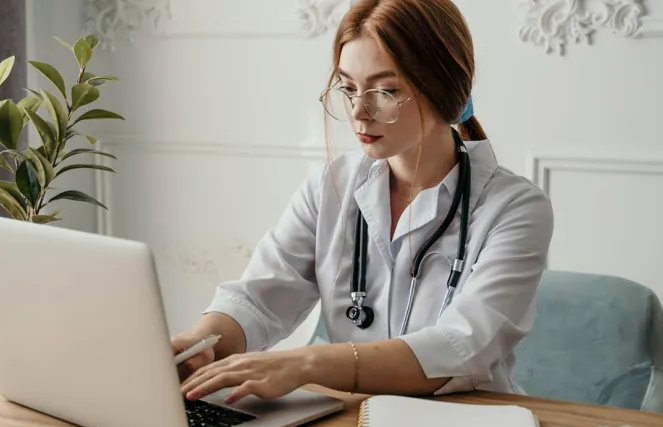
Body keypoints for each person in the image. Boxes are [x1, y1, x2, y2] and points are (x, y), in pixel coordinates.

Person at [174, 0, 554, 406]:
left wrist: (306, 364)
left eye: (385, 91)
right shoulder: (332, 186)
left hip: (466, 423)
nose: (359, 112)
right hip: (352, 420)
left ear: (444, 87)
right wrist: (201, 343)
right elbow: (257, 298)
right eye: (348, 88)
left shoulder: (514, 209)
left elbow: (462, 347)